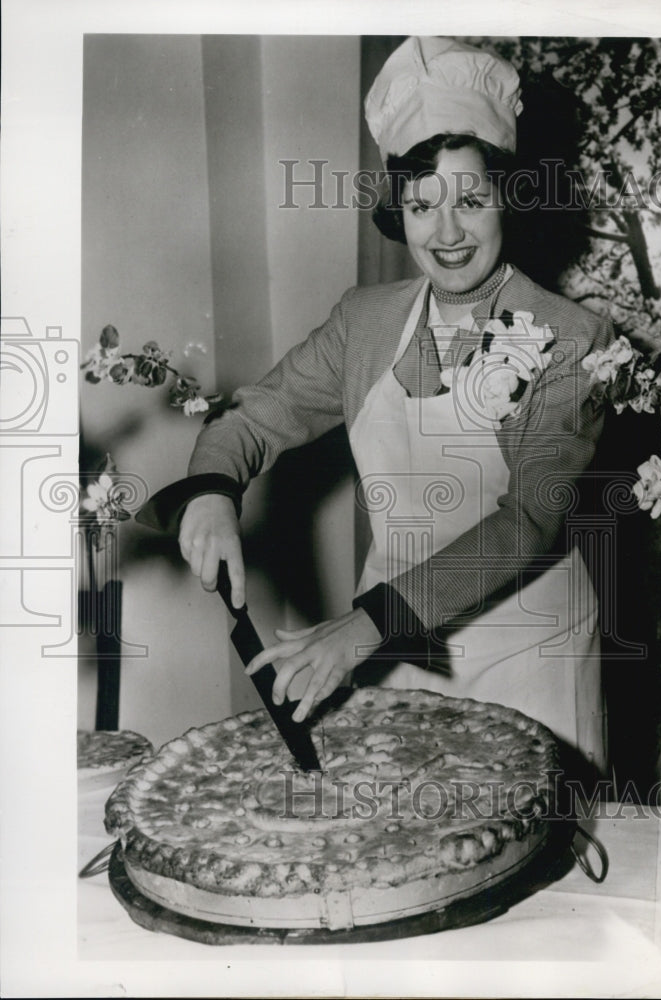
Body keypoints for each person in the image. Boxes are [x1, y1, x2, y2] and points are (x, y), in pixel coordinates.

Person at [168, 37, 614, 774]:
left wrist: (360, 629)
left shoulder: (574, 339)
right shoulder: (364, 320)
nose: (445, 233)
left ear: (507, 196)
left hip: (523, 650)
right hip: (390, 647)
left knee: (527, 851)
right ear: (397, 208)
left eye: (470, 200)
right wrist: (214, 490)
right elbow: (252, 417)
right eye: (422, 203)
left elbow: (528, 519)